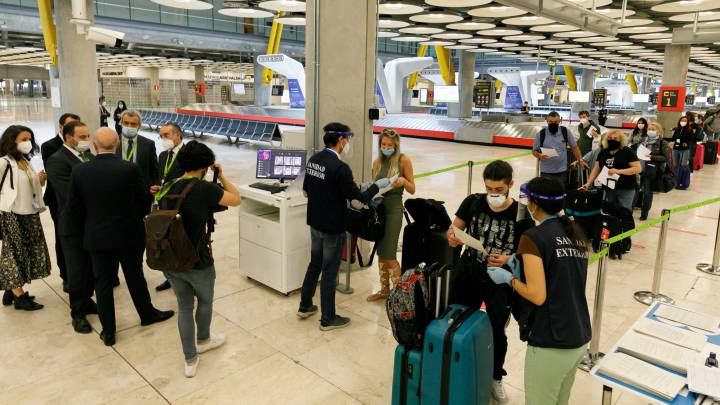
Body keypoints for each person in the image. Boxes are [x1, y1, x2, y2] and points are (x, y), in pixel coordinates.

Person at [486, 176, 591, 405]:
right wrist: (519, 261)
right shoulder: (574, 231)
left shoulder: (533, 237)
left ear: (533, 204)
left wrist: (510, 278)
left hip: (551, 340)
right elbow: (560, 272)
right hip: (579, 333)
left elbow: (537, 295)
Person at [64, 127, 174, 346]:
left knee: (102, 283)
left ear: (94, 146)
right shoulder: (129, 169)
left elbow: (74, 208)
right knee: (135, 276)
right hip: (128, 234)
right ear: (116, 145)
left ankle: (109, 331)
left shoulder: (80, 171)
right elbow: (143, 200)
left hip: (96, 236)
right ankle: (147, 314)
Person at [155, 140, 241, 378]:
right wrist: (221, 175)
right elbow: (236, 198)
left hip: (170, 258)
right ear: (205, 166)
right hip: (197, 260)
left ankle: (190, 359)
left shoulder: (167, 186)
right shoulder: (203, 189)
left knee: (184, 306)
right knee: (204, 302)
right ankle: (203, 339)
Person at [446, 160, 529, 405]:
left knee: (496, 329)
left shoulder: (521, 212)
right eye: (489, 189)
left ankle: (495, 377)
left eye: (498, 190)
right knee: (457, 318)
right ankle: (456, 366)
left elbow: (527, 253)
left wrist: (508, 258)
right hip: (469, 270)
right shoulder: (473, 201)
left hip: (499, 278)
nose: (493, 194)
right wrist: (453, 237)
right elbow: (454, 230)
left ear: (510, 185)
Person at [298, 122, 389, 330]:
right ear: (340, 140)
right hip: (333, 228)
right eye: (347, 139)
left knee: (315, 264)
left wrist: (342, 188)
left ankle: (305, 306)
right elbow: (358, 201)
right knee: (330, 272)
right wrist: (377, 186)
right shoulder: (340, 168)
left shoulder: (314, 160)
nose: (348, 143)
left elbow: (307, 190)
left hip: (315, 223)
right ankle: (328, 319)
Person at [45, 121, 97, 333]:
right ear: (68, 138)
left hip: (92, 223)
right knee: (76, 270)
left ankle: (87, 300)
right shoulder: (57, 161)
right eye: (82, 137)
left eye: (87, 135)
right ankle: (77, 312)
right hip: (73, 225)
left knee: (90, 267)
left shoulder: (88, 157)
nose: (87, 140)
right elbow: (70, 195)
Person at [0, 125, 51, 311]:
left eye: (29, 138)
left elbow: (28, 186)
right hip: (12, 215)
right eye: (23, 139)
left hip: (30, 213)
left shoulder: (25, 161)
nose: (28, 142)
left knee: (27, 251)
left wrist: (40, 180)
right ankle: (19, 297)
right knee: (13, 253)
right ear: (11, 141)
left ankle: (12, 288)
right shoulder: (3, 163)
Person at [365, 129, 415, 301]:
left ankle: (402, 296)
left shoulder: (403, 160)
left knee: (390, 254)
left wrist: (403, 181)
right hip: (379, 210)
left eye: (389, 145)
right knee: (380, 252)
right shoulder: (377, 162)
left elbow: (412, 188)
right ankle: (385, 290)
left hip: (394, 210)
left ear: (396, 145)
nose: (386, 147)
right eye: (383, 144)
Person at [41, 112, 80, 292]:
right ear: (61, 127)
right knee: (62, 236)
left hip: (79, 198)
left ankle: (81, 273)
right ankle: (66, 275)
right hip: (58, 197)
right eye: (70, 125)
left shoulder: (81, 144)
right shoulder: (50, 146)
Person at [152, 122, 186, 292]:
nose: (164, 139)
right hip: (165, 204)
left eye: (167, 135)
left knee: (181, 242)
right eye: (161, 136)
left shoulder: (189, 154)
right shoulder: (163, 156)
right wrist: (157, 187)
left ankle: (184, 278)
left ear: (178, 135)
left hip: (182, 205)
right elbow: (161, 178)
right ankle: (171, 277)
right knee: (166, 241)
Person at [583, 130, 641, 212]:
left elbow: (637, 168)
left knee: (624, 211)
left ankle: (624, 225)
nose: (612, 140)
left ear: (621, 140)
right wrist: (589, 182)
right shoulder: (603, 152)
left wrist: (618, 171)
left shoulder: (628, 151)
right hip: (608, 188)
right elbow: (596, 169)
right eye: (609, 138)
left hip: (625, 187)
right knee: (608, 210)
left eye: (615, 138)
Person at [532, 111, 587, 184]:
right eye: (550, 122)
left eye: (556, 122)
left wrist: (580, 160)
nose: (553, 123)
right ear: (547, 121)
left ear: (560, 121)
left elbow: (574, 147)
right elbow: (534, 151)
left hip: (562, 171)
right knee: (546, 193)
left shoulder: (565, 131)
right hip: (546, 171)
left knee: (560, 192)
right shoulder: (541, 134)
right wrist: (539, 155)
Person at [117, 109, 160, 196]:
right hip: (118, 191)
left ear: (139, 126)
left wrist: (155, 187)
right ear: (121, 123)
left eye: (133, 124)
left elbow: (154, 170)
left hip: (142, 193)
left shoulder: (148, 144)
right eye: (126, 123)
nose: (129, 126)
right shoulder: (112, 142)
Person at [637, 122, 670, 221]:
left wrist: (652, 156)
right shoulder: (643, 140)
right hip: (639, 168)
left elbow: (666, 158)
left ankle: (644, 212)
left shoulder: (662, 143)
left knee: (647, 192)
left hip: (651, 170)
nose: (650, 131)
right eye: (649, 129)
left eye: (653, 129)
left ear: (658, 131)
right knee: (637, 190)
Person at [669, 115, 694, 189]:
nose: (683, 122)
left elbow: (691, 140)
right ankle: (676, 181)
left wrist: (687, 144)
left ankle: (683, 181)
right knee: (676, 165)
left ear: (687, 122)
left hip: (685, 150)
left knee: (683, 165)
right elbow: (673, 138)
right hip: (675, 149)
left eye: (685, 121)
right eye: (682, 120)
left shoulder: (690, 130)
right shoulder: (677, 129)